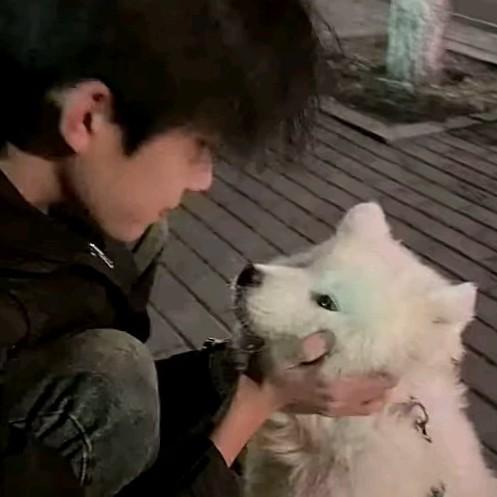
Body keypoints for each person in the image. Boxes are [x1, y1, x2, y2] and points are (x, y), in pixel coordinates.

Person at [0, 0, 397, 495]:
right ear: (88, 116)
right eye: (200, 147)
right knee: (118, 377)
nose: (205, 180)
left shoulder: (63, 214)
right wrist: (254, 404)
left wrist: (232, 371)